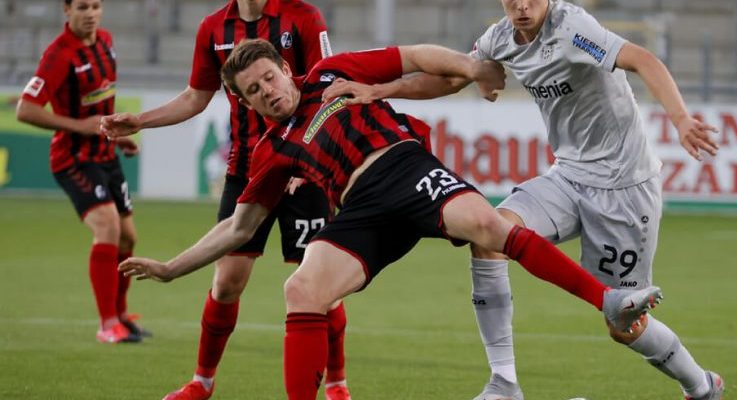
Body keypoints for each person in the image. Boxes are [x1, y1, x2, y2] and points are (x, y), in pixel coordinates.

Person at [117, 38, 663, 400]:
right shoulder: (271, 149)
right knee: (302, 288)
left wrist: (471, 67)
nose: (267, 93)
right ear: (245, 102)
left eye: (269, 78)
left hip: (403, 167)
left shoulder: (331, 72)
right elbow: (239, 228)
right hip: (361, 212)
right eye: (253, 92)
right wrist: (170, 268)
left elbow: (414, 55)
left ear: (285, 69)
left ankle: (607, 299)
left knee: (490, 228)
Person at [321, 1, 724, 399]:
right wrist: (380, 90)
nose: (522, 6)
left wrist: (680, 119)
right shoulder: (499, 39)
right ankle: (504, 383)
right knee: (490, 235)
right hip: (569, 176)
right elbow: (450, 79)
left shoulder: (572, 28)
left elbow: (642, 59)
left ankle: (701, 386)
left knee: (624, 327)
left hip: (625, 187)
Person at [99, 1, 350, 399]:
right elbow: (195, 97)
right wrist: (141, 121)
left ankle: (337, 385)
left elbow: (327, 85)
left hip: (305, 168)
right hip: (248, 168)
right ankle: (202, 382)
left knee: (321, 284)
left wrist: (310, 158)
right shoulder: (213, 27)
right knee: (227, 281)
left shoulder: (302, 16)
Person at [14, 0, 148, 344]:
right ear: (67, 10)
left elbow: (99, 104)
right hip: (72, 158)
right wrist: (79, 126)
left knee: (128, 237)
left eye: (95, 6)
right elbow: (25, 109)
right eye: (82, 7)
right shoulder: (58, 55)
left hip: (105, 154)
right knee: (107, 226)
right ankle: (107, 325)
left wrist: (115, 137)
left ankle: (121, 315)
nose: (90, 13)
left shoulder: (106, 41)